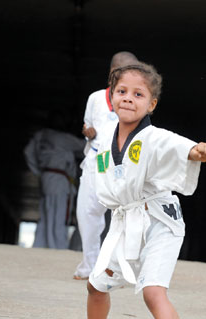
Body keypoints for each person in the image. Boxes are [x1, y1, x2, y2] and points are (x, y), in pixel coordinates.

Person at [65, 63, 206, 319]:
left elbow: (179, 146)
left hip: (161, 221)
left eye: (138, 94)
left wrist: (197, 151)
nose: (129, 99)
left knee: (152, 291)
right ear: (111, 97)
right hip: (127, 220)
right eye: (122, 92)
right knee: (95, 286)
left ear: (152, 104)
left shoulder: (153, 136)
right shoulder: (107, 136)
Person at [73, 51, 139, 280]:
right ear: (112, 73)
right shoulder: (95, 98)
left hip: (123, 165)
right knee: (87, 213)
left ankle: (119, 267)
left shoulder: (139, 99)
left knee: (127, 218)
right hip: (95, 161)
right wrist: (87, 133)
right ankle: (90, 264)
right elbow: (89, 127)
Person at [24, 111, 84, 249]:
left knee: (46, 211)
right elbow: (84, 147)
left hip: (46, 176)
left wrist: (37, 170)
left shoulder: (41, 136)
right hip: (60, 179)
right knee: (59, 213)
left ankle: (40, 245)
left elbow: (28, 152)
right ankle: (57, 247)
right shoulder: (62, 138)